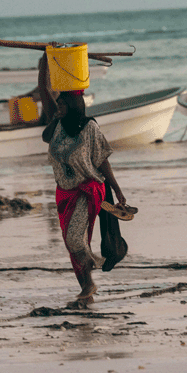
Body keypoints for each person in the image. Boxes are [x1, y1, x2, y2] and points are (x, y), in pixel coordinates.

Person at [40, 69, 134, 307]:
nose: (58, 104)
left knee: (75, 239)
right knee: (74, 245)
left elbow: (102, 159)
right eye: (57, 101)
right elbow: (45, 91)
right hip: (64, 192)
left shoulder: (90, 128)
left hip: (88, 190)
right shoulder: (57, 125)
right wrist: (45, 61)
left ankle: (97, 263)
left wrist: (118, 191)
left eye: (62, 101)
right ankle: (86, 291)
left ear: (73, 103)